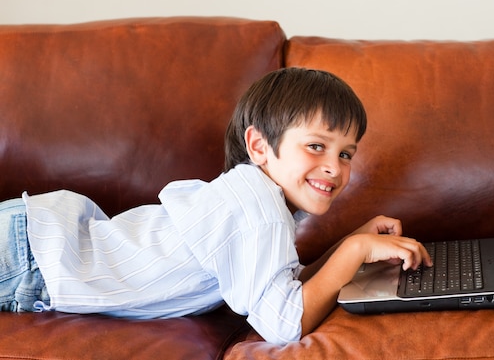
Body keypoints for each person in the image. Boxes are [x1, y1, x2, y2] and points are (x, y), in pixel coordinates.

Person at [0, 67, 431, 345]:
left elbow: (283, 286)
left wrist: (350, 244)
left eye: (346, 154)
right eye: (316, 146)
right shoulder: (256, 210)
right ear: (259, 146)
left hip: (35, 244)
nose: (334, 169)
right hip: (30, 258)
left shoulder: (260, 201)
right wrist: (354, 253)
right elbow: (285, 323)